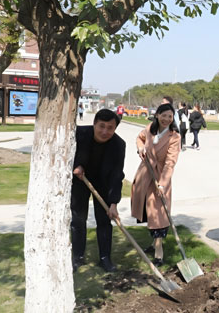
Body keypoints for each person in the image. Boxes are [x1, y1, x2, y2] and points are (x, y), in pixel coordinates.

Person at [71, 109, 126, 273]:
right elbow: (66, 154)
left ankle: (105, 258)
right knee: (78, 219)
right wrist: (76, 165)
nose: (105, 131)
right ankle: (78, 256)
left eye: (110, 128)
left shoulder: (118, 145)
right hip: (80, 180)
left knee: (104, 220)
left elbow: (117, 174)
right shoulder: (79, 134)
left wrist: (113, 203)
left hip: (104, 183)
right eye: (101, 126)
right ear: (94, 123)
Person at [131, 103, 181, 266]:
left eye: (170, 116)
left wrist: (162, 184)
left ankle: (159, 252)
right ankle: (154, 244)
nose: (166, 119)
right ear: (157, 115)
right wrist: (140, 148)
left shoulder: (174, 137)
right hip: (145, 174)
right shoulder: (149, 129)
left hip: (160, 178)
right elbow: (139, 138)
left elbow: (170, 163)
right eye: (163, 115)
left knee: (158, 214)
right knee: (148, 211)